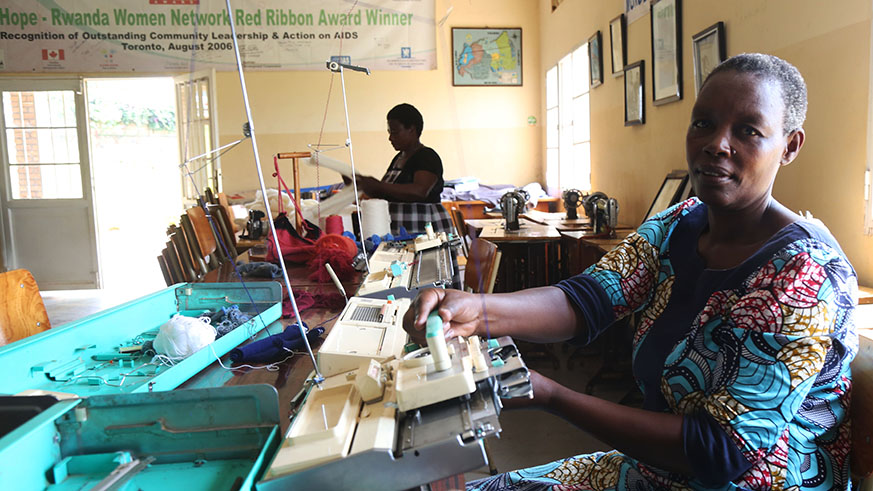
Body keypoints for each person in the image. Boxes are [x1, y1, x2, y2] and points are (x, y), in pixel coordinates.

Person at [404, 53, 858, 490]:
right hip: (661, 473)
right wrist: (474, 309)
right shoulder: (682, 222)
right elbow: (587, 299)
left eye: (748, 130)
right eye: (704, 122)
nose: (716, 143)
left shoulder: (804, 273)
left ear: (790, 146)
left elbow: (721, 452)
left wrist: (548, 393)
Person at [352, 103, 453, 236]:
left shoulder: (427, 156)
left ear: (411, 129)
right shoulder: (398, 158)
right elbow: (385, 192)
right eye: (389, 133)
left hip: (425, 229)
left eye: (395, 132)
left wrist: (378, 185)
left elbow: (419, 191)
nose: (390, 138)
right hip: (403, 229)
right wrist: (362, 185)